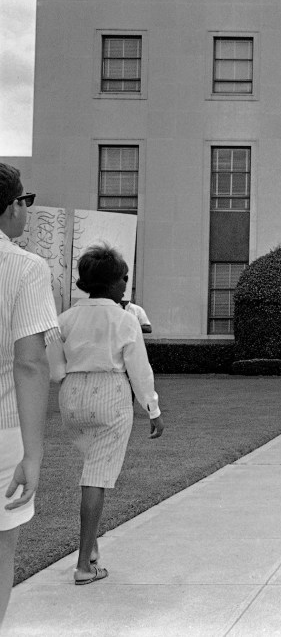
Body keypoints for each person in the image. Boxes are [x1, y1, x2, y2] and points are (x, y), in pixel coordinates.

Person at [47, 243, 164, 586]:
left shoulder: (64, 319)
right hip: (110, 394)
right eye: (123, 278)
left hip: (71, 397)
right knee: (95, 478)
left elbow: (55, 371)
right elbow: (139, 371)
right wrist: (153, 410)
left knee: (91, 470)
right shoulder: (124, 320)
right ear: (113, 283)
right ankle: (84, 565)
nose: (125, 283)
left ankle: (92, 547)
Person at [0, 164, 58, 621]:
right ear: (12, 206)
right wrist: (33, 455)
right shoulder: (24, 267)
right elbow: (30, 361)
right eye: (25, 200)